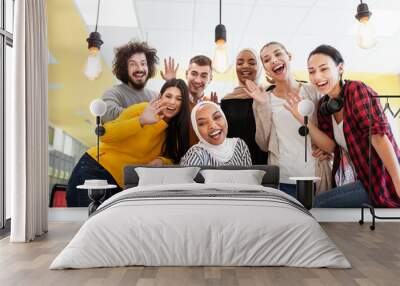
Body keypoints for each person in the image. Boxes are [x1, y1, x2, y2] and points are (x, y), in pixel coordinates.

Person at [285, 44, 400, 207]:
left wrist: (398, 182)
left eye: (323, 69)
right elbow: (331, 147)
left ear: (340, 68)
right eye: (312, 71)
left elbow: (379, 138)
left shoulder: (356, 90)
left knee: (317, 206)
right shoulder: (324, 105)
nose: (317, 77)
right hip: (355, 179)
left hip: (380, 179)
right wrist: (302, 119)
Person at [67, 79, 190, 207]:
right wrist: (141, 121)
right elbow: (105, 135)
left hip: (122, 183)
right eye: (168, 96)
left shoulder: (176, 131)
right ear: (160, 97)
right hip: (95, 169)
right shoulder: (142, 109)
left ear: (183, 103)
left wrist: (161, 161)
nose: (172, 102)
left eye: (178, 98)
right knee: (85, 220)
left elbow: (173, 158)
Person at [244, 42, 331, 198]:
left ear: (289, 57)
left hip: (315, 176)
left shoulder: (313, 92)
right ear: (265, 68)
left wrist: (327, 151)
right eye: (267, 59)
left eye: (278, 54)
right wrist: (263, 105)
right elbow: (263, 144)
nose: (274, 60)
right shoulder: (263, 99)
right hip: (284, 179)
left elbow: (330, 133)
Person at [220, 49, 268, 165]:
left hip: (264, 163)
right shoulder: (226, 100)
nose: (245, 66)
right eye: (240, 63)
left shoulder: (267, 96)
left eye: (252, 63)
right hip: (235, 165)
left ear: (260, 67)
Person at [161, 55, 218, 146]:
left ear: (210, 79)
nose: (198, 80)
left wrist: (215, 117)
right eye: (194, 73)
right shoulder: (174, 100)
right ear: (187, 74)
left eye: (204, 76)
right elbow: (160, 124)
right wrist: (170, 85)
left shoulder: (211, 104)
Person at [101, 41, 159, 123]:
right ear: (125, 68)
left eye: (143, 64)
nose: (140, 68)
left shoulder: (155, 96)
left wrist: (171, 84)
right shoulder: (113, 93)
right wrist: (144, 115)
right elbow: (107, 115)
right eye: (133, 64)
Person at [180, 101, 252, 166]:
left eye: (217, 117)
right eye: (202, 123)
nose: (212, 126)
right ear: (196, 130)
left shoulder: (239, 145)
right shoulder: (196, 154)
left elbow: (248, 179)